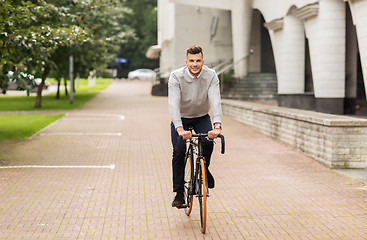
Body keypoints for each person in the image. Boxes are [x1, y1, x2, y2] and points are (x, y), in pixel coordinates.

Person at [168, 45, 223, 208]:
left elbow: (215, 100)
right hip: (181, 119)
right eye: (191, 61)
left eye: (198, 60)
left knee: (207, 142)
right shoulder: (176, 76)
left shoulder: (211, 75)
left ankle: (204, 170)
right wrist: (179, 129)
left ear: (203, 61)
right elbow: (173, 104)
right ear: (186, 62)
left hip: (201, 117)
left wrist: (217, 125)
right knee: (179, 150)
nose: (195, 64)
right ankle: (179, 193)